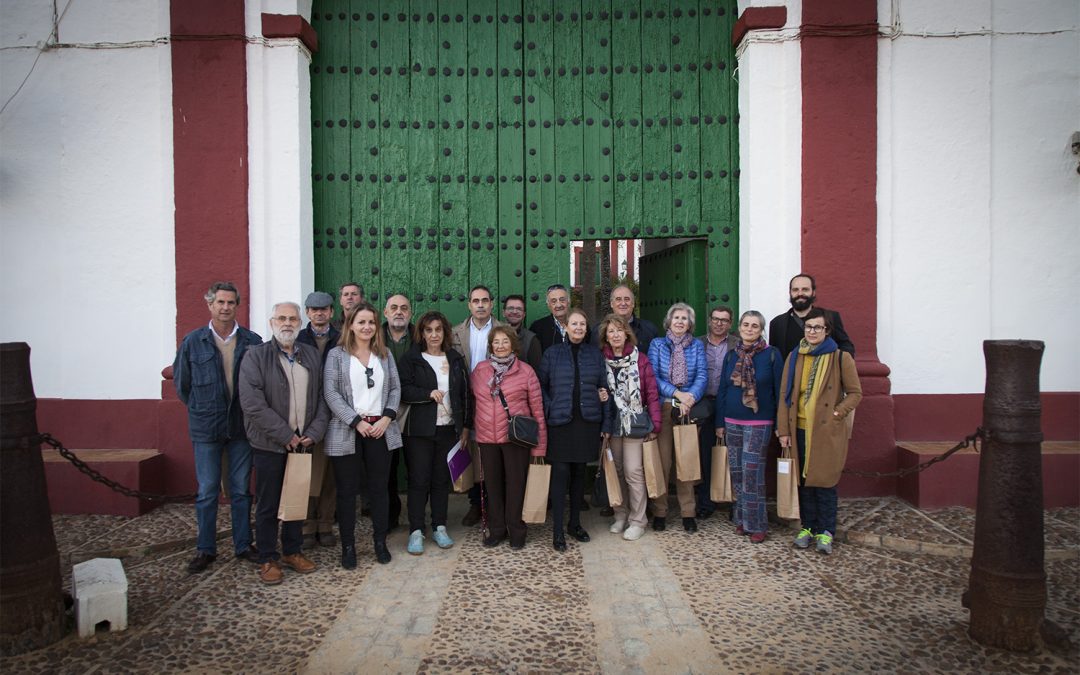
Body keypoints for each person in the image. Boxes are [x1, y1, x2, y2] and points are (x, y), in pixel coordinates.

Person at [173, 281, 262, 573]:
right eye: (220, 302)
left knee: (240, 489)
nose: (225, 308)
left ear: (237, 306)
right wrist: (205, 408)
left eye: (230, 303)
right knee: (208, 490)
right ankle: (206, 549)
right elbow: (183, 386)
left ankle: (242, 544)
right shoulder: (192, 342)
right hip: (206, 428)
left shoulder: (252, 341)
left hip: (240, 426)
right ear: (210, 305)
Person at [238, 302, 330, 584]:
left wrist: (313, 433)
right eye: (282, 318)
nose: (287, 323)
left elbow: (322, 399)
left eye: (292, 318)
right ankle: (268, 557)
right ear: (271, 322)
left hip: (303, 443)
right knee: (268, 503)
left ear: (300, 322)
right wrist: (285, 435)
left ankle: (292, 551)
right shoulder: (256, 356)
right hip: (270, 444)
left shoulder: (311, 356)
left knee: (296, 499)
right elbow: (253, 404)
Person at [323, 302, 403, 567]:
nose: (366, 327)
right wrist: (356, 421)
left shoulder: (385, 355)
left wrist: (386, 418)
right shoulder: (337, 355)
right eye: (361, 322)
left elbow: (394, 389)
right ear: (351, 325)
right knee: (347, 492)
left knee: (380, 489)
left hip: (380, 429)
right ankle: (348, 546)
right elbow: (331, 392)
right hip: (348, 430)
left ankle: (379, 541)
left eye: (371, 322)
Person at [777, 307, 862, 554]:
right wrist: (783, 430)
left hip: (826, 431)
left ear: (827, 330)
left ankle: (826, 531)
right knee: (804, 481)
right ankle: (808, 527)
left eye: (818, 327)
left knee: (824, 483)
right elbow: (785, 396)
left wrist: (838, 412)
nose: (812, 331)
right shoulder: (795, 356)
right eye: (809, 327)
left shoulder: (839, 357)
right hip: (799, 428)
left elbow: (855, 393)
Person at [398, 311, 470, 555]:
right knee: (419, 480)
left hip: (449, 429)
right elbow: (404, 390)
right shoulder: (412, 359)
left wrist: (466, 427)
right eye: (429, 330)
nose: (434, 334)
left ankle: (440, 526)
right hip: (419, 431)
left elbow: (465, 395)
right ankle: (416, 530)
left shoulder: (455, 359)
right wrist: (427, 393)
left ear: (445, 332)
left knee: (441, 481)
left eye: (438, 329)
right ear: (421, 333)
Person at [471, 326, 547, 549]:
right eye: (496, 342)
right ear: (491, 346)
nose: (501, 346)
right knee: (492, 486)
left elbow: (537, 410)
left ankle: (517, 530)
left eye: (505, 342)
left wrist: (540, 447)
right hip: (487, 438)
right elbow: (472, 401)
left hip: (516, 438)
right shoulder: (480, 371)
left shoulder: (526, 371)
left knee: (516, 485)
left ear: (513, 345)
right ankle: (497, 530)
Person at [538, 308, 608, 552]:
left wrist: (602, 398)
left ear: (586, 328)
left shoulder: (595, 355)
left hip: (586, 422)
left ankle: (574, 524)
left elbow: (603, 385)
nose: (578, 328)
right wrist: (550, 408)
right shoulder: (552, 353)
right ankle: (557, 529)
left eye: (582, 324)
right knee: (560, 475)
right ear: (565, 326)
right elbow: (541, 386)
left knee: (579, 474)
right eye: (574, 324)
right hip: (560, 423)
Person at [714, 310, 784, 543]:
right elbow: (723, 389)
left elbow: (779, 392)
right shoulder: (731, 355)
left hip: (759, 421)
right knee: (737, 472)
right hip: (732, 420)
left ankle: (758, 524)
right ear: (740, 328)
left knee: (752, 472)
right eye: (746, 324)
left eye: (755, 325)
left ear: (760, 329)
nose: (750, 329)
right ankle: (743, 520)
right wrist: (720, 422)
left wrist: (779, 424)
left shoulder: (771, 355)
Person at [599, 314, 662, 542]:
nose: (615, 335)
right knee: (615, 471)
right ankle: (620, 514)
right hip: (612, 423)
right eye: (611, 331)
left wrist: (655, 424)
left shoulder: (640, 359)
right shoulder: (601, 360)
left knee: (633, 471)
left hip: (635, 422)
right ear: (605, 337)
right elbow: (596, 387)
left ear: (627, 333)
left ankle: (638, 520)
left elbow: (652, 393)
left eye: (619, 330)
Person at [647, 302, 707, 533]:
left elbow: (702, 374)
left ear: (690, 323)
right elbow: (652, 375)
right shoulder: (657, 344)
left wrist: (690, 397)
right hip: (664, 406)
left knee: (686, 462)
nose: (680, 322)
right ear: (669, 322)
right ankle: (660, 511)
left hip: (687, 409)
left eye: (684, 318)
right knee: (663, 462)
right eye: (676, 318)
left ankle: (688, 512)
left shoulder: (697, 346)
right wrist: (677, 394)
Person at [450, 285, 502, 527]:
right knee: (470, 451)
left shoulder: (504, 330)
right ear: (469, 305)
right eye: (475, 301)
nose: (480, 305)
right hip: (466, 400)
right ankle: (475, 504)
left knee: (491, 453)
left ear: (492, 303)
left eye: (484, 300)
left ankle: (493, 505)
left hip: (495, 401)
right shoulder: (454, 333)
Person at [295, 290, 340, 549]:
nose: (319, 313)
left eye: (324, 309)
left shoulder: (341, 338)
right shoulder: (297, 339)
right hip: (306, 416)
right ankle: (306, 525)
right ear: (308, 312)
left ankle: (325, 524)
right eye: (314, 309)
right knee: (305, 471)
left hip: (334, 416)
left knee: (329, 474)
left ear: (331, 312)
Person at [694, 305, 739, 519]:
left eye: (724, 320)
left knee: (732, 453)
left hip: (730, 404)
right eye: (716, 319)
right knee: (704, 454)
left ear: (730, 324)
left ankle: (733, 502)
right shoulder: (696, 343)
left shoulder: (738, 345)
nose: (719, 323)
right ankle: (705, 502)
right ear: (709, 320)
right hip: (703, 403)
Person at [382, 293, 414, 530]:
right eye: (394, 307)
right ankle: (389, 514)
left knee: (416, 465)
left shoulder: (419, 337)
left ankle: (417, 517)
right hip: (383, 411)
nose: (399, 312)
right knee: (387, 466)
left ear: (410, 312)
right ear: (385, 312)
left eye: (404, 308)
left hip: (414, 410)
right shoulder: (374, 336)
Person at [769, 274, 854, 359]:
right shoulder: (777, 323)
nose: (800, 293)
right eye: (795, 290)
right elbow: (773, 357)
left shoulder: (831, 317)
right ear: (790, 293)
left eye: (805, 289)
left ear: (813, 292)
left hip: (825, 371)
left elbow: (846, 346)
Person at [593, 284, 659, 355]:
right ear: (612, 304)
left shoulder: (649, 329)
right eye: (618, 299)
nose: (623, 303)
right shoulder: (598, 331)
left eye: (627, 299)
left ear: (633, 303)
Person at [529, 283, 590, 351]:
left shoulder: (581, 325)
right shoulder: (538, 327)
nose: (558, 305)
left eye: (562, 300)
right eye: (553, 301)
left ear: (568, 301)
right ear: (548, 305)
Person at [502, 294, 542, 370]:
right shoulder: (493, 335)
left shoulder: (532, 340)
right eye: (510, 308)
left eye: (519, 309)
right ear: (503, 312)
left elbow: (536, 372)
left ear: (524, 314)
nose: (514, 311)